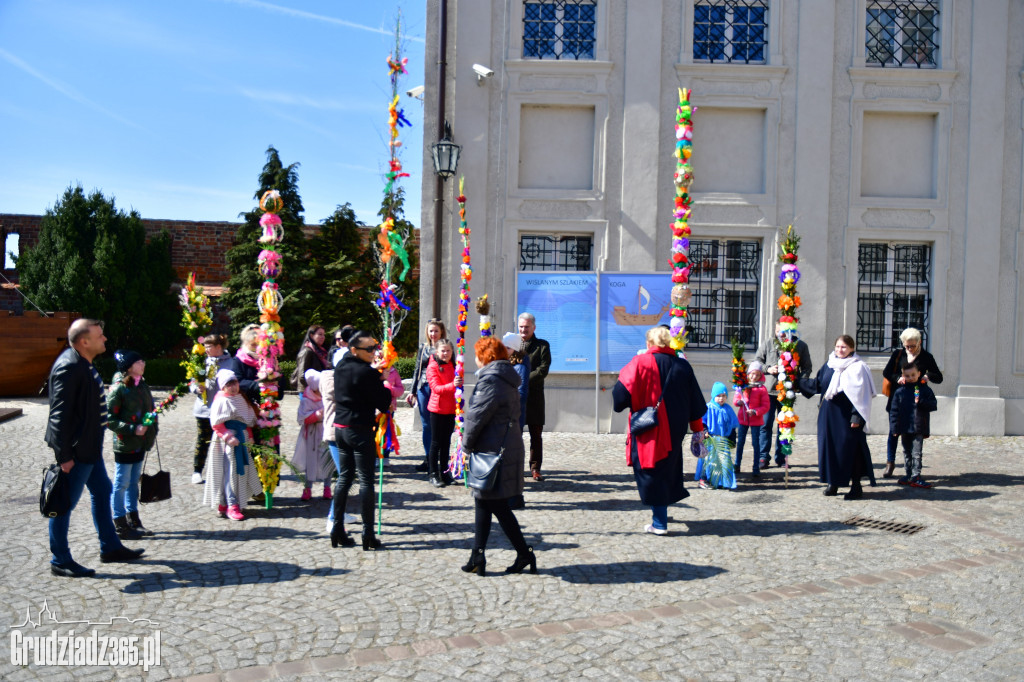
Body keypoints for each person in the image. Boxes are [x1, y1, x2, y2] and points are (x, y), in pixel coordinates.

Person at [45, 318, 144, 577]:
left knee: (102, 491)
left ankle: (110, 547)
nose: (105, 339)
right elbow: (58, 416)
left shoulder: (82, 364)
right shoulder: (69, 367)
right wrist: (64, 456)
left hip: (90, 449)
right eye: (100, 336)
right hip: (77, 453)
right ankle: (60, 559)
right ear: (84, 341)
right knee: (63, 503)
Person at [613, 326, 707, 535]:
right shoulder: (683, 366)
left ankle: (659, 522)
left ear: (648, 344)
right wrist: (698, 431)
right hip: (675, 429)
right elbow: (696, 403)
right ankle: (661, 514)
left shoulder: (638, 363)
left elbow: (619, 398)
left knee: (651, 470)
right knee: (666, 468)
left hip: (648, 426)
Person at [460, 337, 536, 577]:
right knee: (488, 502)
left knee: (491, 503)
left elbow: (476, 417)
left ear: (486, 356)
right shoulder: (505, 377)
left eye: (477, 354)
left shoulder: (491, 380)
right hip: (502, 446)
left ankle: (516, 553)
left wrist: (465, 447)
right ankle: (479, 555)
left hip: (493, 449)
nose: (474, 359)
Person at [331, 331, 393, 550]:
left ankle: (337, 528)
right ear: (354, 350)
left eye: (374, 348)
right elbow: (384, 402)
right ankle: (368, 533)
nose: (374, 352)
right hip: (359, 430)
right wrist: (383, 381)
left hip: (340, 429)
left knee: (344, 478)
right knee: (366, 481)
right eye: (369, 349)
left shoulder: (340, 367)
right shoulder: (366, 373)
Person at [800, 335, 877, 500]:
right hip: (828, 415)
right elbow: (818, 385)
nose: (839, 350)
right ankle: (832, 483)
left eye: (843, 347)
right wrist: (797, 381)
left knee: (852, 451)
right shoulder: (830, 365)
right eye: (837, 347)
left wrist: (857, 417)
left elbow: (862, 395)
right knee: (830, 449)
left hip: (847, 417)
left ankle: (856, 486)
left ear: (851, 349)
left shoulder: (858, 367)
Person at [106, 350, 158, 540]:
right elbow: (109, 419)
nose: (143, 363)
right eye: (139, 361)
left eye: (143, 360)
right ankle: (119, 523)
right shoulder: (119, 389)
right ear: (129, 367)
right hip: (125, 443)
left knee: (134, 483)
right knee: (121, 483)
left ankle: (134, 520)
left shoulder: (142, 385)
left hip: (140, 443)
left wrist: (151, 427)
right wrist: (132, 429)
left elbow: (150, 410)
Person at [881, 327, 943, 478]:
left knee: (915, 435)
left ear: (919, 343)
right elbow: (887, 372)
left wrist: (927, 376)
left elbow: (938, 377)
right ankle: (890, 463)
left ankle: (913, 470)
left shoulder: (926, 356)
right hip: (899, 397)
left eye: (912, 346)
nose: (909, 348)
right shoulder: (898, 354)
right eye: (906, 345)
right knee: (894, 431)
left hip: (916, 402)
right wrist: (897, 378)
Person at [202, 369, 263, 521]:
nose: (233, 387)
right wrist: (228, 436)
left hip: (241, 439)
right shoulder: (221, 400)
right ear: (223, 387)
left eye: (234, 383)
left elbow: (246, 420)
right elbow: (216, 423)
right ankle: (230, 504)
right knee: (227, 472)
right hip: (225, 443)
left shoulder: (240, 399)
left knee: (238, 473)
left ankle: (229, 502)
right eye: (229, 384)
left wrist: (249, 436)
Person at [755, 322, 813, 469]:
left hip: (787, 392)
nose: (780, 334)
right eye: (778, 330)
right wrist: (768, 369)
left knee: (784, 425)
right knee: (765, 425)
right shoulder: (768, 343)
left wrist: (799, 381)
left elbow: (807, 367)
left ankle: (781, 458)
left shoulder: (800, 345)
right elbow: (757, 362)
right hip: (768, 391)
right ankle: (763, 457)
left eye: (784, 331)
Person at [191, 333, 234, 485]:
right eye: (205, 346)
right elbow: (191, 382)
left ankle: (222, 471)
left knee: (224, 440)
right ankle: (197, 470)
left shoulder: (231, 362)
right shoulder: (201, 360)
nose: (206, 349)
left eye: (208, 346)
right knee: (203, 440)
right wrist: (196, 388)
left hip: (224, 410)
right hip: (203, 409)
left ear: (218, 347)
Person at [888, 361, 938, 488]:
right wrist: (894, 428)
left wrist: (920, 401)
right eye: (907, 376)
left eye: (913, 375)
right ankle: (908, 474)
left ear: (919, 374)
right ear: (903, 376)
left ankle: (916, 475)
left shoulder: (924, 389)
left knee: (916, 453)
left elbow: (933, 405)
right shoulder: (900, 392)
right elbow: (894, 411)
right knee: (906, 452)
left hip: (918, 427)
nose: (910, 378)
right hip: (905, 427)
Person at [407, 318, 447, 472]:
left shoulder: (445, 347)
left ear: (441, 331)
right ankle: (428, 458)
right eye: (431, 331)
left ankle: (439, 458)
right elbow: (417, 369)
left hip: (440, 387)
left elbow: (452, 366)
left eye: (436, 330)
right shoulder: (423, 348)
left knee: (440, 424)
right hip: (424, 387)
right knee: (426, 425)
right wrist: (412, 391)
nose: (433, 334)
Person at [519, 312, 551, 481]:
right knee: (515, 434)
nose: (523, 330)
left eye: (527, 327)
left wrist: (522, 380)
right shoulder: (513, 344)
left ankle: (535, 468)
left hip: (534, 397)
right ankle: (515, 466)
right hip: (516, 397)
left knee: (536, 435)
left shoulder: (542, 346)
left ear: (533, 327)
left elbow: (542, 370)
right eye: (521, 327)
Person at [426, 338, 462, 487]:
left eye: (448, 351)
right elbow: (436, 388)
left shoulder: (454, 366)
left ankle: (445, 471)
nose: (445, 353)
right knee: (436, 442)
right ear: (437, 351)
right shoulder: (433, 367)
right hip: (437, 409)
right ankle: (433, 473)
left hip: (450, 409)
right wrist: (452, 385)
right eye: (443, 351)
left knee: (446, 442)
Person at [293, 369, 332, 501]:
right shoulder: (306, 399)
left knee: (327, 458)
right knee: (310, 460)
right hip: (311, 433)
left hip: (325, 431)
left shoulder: (328, 395)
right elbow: (302, 418)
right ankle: (307, 488)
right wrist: (316, 415)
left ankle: (327, 487)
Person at [695, 382, 739, 490]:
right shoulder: (708, 408)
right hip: (711, 439)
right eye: (718, 396)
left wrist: (732, 439)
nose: (721, 398)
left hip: (723, 440)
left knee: (723, 461)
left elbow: (732, 425)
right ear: (714, 396)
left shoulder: (728, 409)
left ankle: (721, 481)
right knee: (709, 461)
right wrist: (704, 431)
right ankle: (704, 479)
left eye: (723, 396)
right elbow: (702, 422)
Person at [733, 361, 769, 479]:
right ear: (748, 374)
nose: (754, 377)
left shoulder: (762, 389)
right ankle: (737, 465)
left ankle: (755, 467)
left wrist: (755, 411)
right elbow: (736, 399)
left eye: (757, 375)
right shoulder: (742, 386)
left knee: (755, 444)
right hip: (743, 419)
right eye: (752, 374)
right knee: (741, 443)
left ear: (760, 376)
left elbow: (766, 406)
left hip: (755, 421)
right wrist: (739, 402)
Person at [377, 347, 405, 469]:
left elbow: (400, 390)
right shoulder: (374, 371)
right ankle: (376, 456)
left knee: (387, 431)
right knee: (376, 432)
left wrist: (390, 389)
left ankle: (386, 456)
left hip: (389, 407)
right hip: (375, 407)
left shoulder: (394, 373)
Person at [230, 324, 263, 406]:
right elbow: (237, 381)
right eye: (253, 344)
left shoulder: (267, 359)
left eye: (259, 343)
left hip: (265, 403)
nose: (256, 347)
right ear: (246, 342)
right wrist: (258, 385)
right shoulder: (238, 360)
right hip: (244, 404)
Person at [293, 325, 329, 391]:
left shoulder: (322, 352)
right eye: (320, 334)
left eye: (324, 335)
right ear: (312, 335)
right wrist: (315, 389)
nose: (323, 337)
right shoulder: (307, 351)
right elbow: (302, 375)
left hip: (319, 390)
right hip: (308, 391)